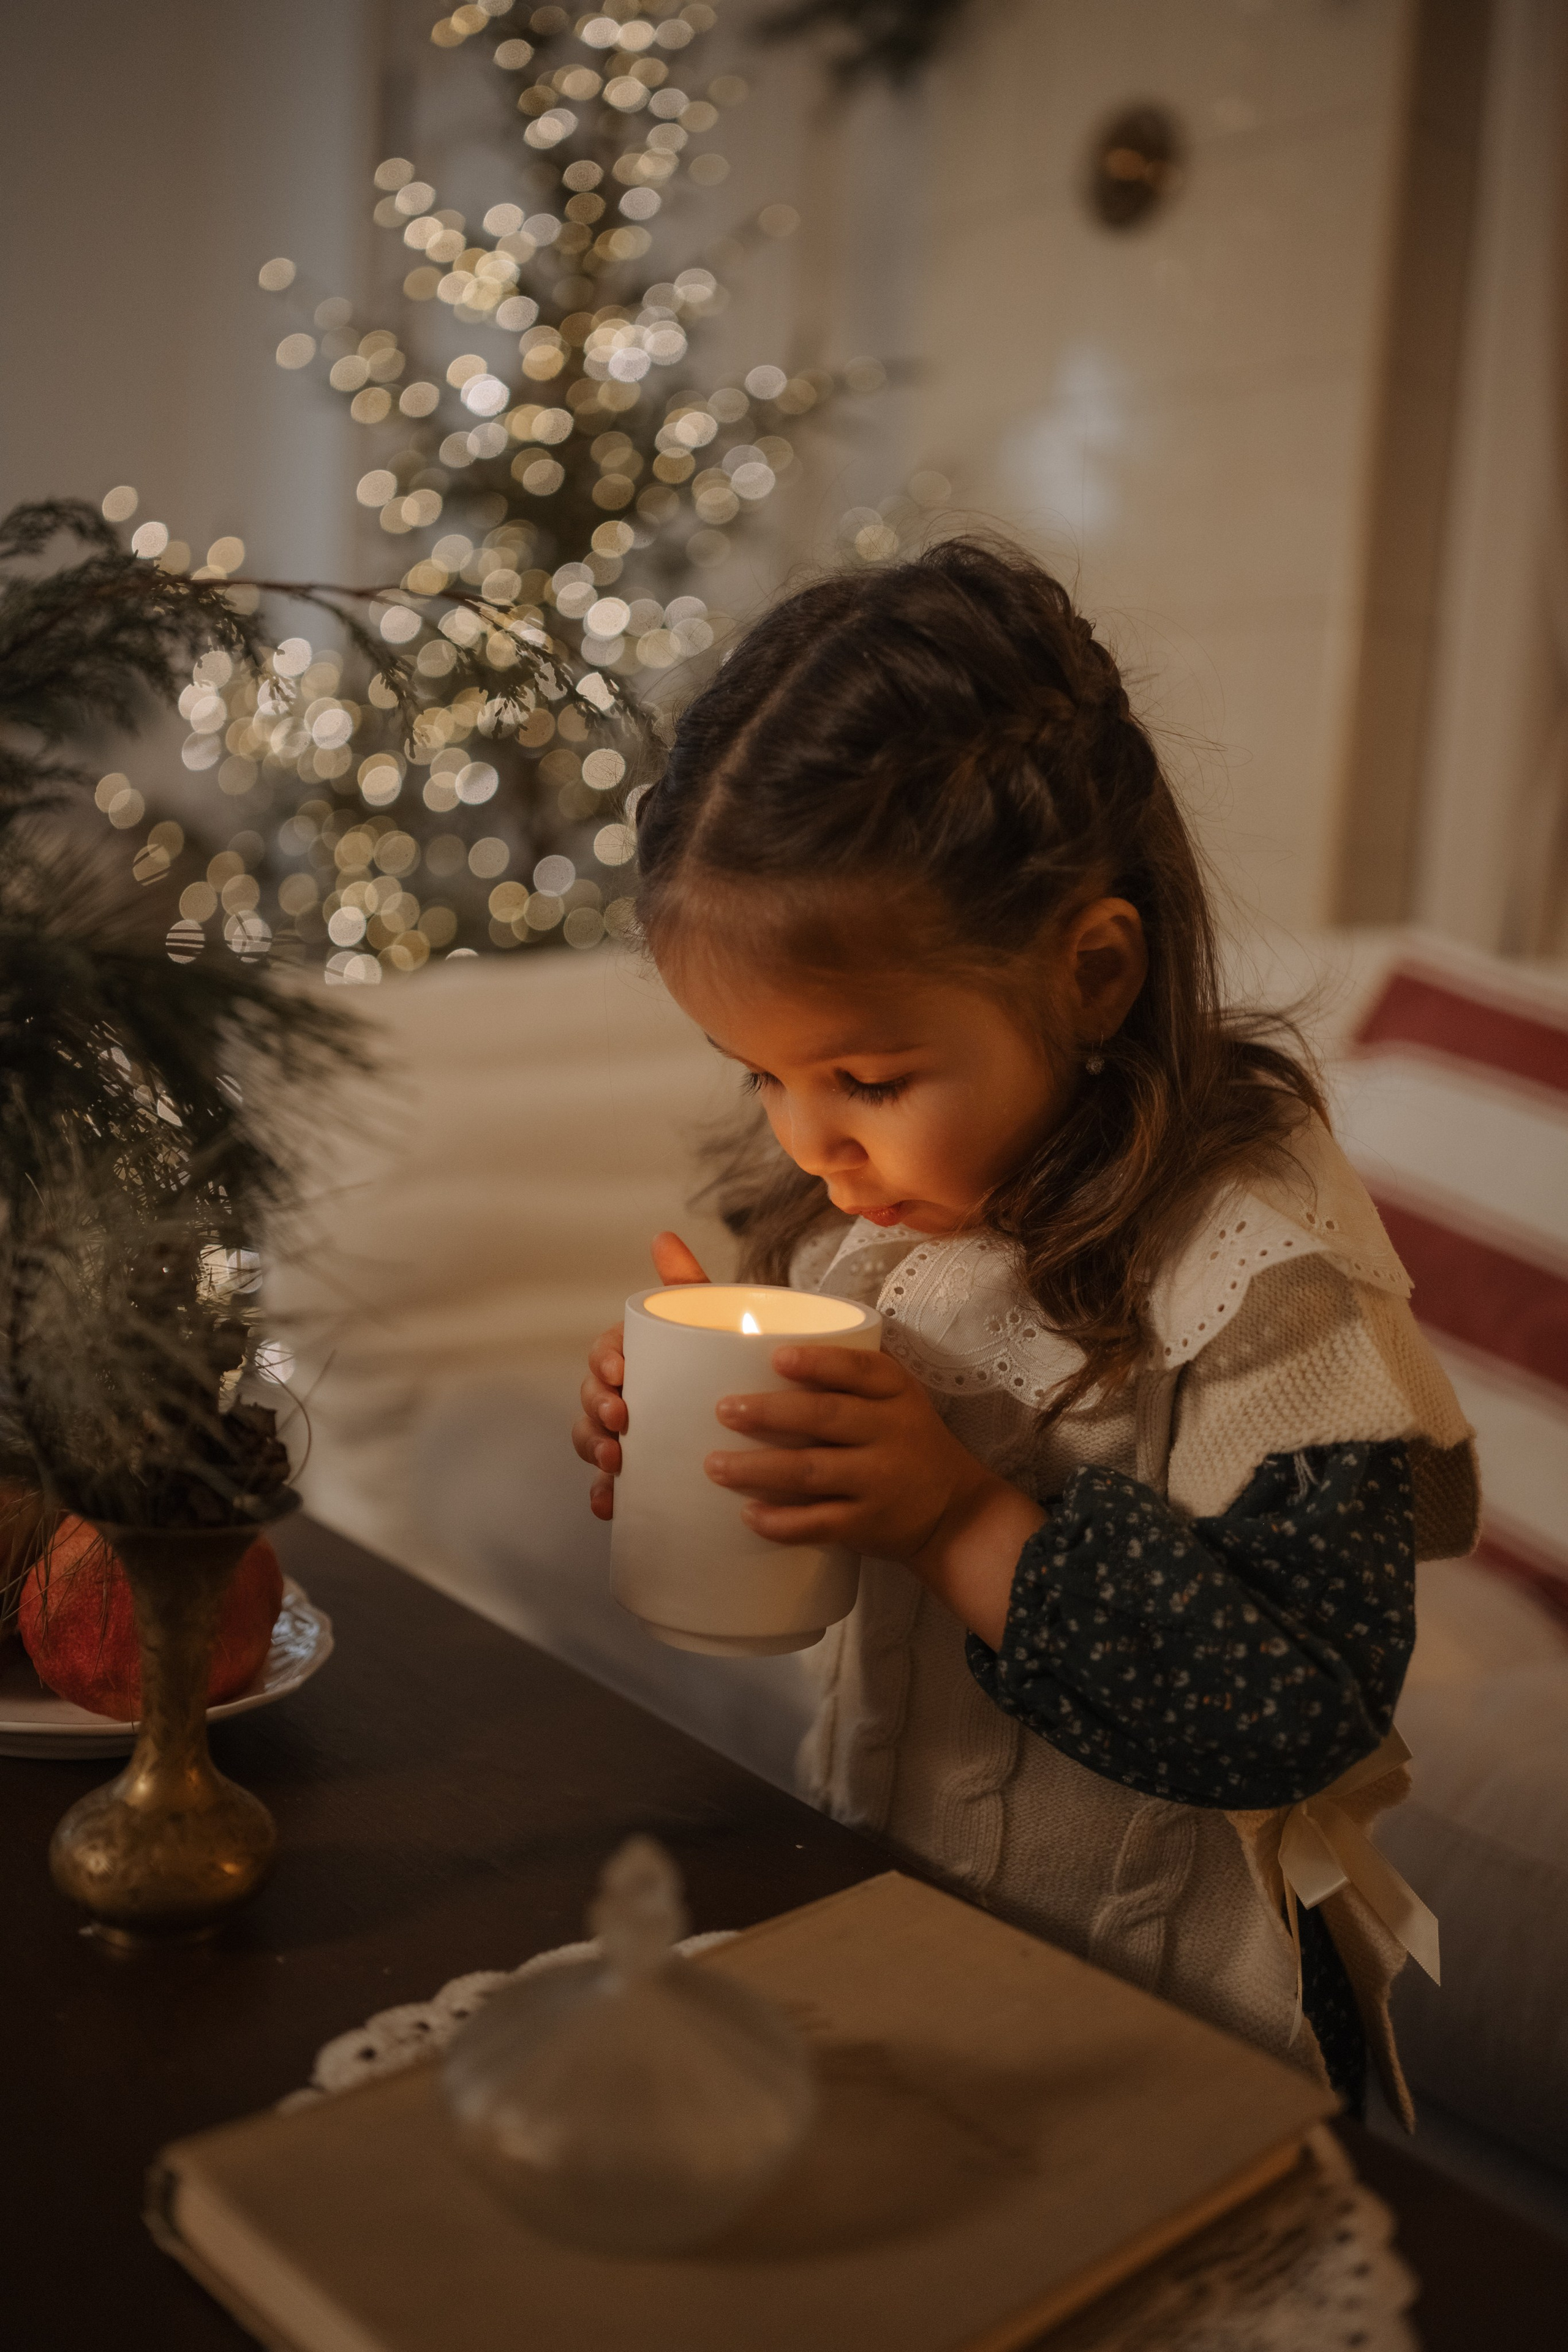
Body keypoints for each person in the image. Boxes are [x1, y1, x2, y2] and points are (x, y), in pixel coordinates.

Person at [571, 538, 1476, 2122]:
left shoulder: (1266, 1273)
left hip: (1189, 2034)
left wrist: (953, 1514)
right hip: (929, 1948)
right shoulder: (893, 1212)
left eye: (863, 1078)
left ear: (1095, 971)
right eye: (761, 1074)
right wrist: (704, 1444)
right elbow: (839, 1537)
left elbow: (1300, 1708)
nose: (809, 1146)